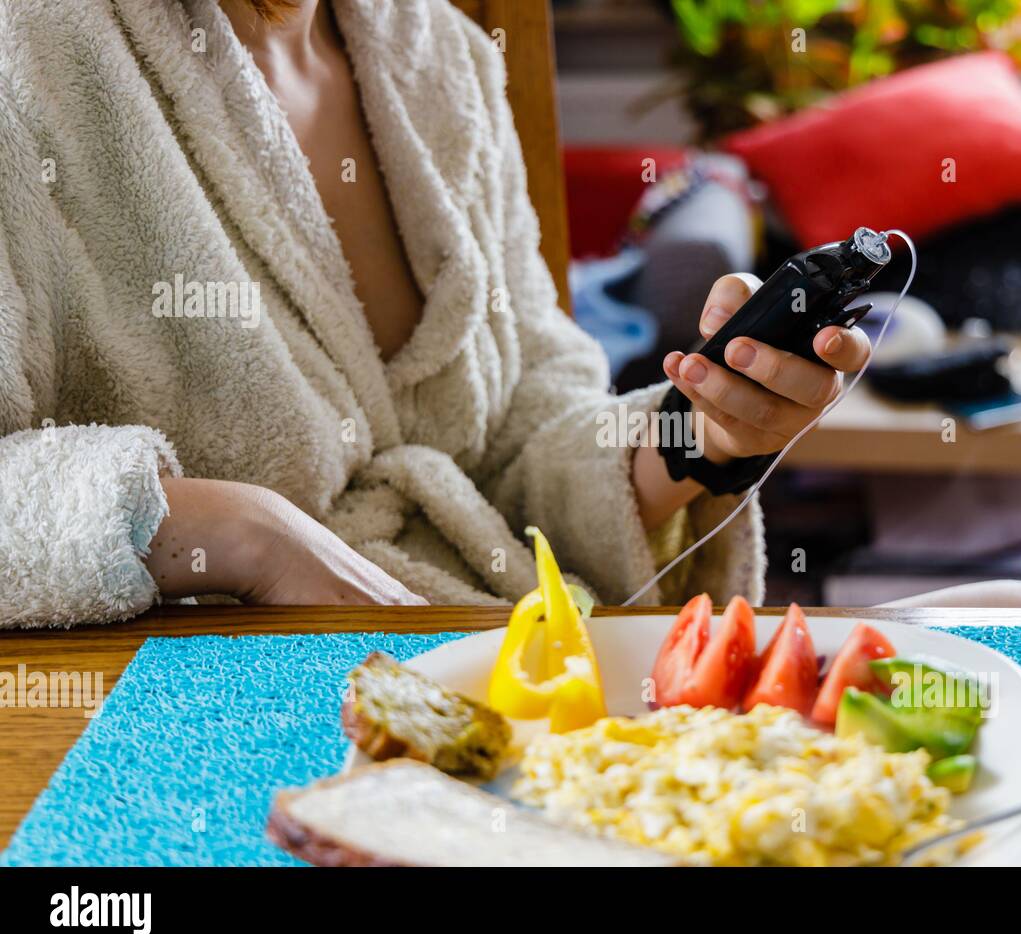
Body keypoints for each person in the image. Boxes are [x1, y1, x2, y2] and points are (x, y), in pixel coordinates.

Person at [0, 0, 880, 627]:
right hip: (191, 710)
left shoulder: (444, 60)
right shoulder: (25, 55)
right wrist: (242, 533)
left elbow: (525, 429)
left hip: (475, 661)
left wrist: (705, 436)